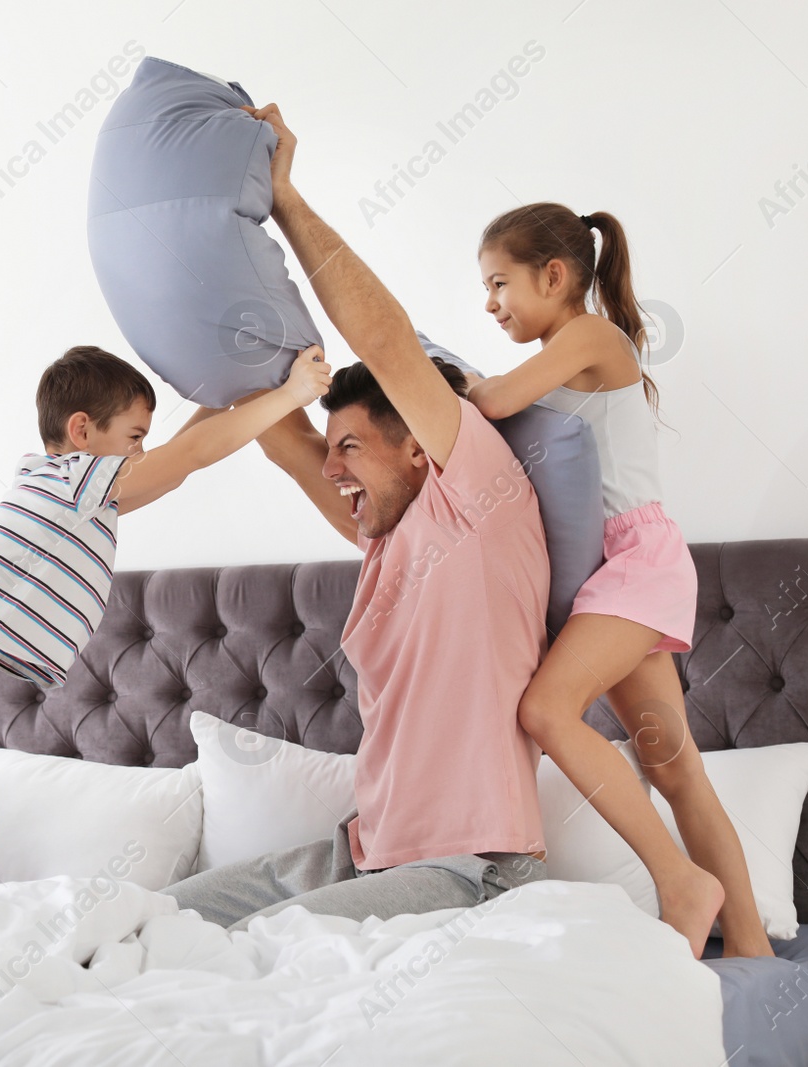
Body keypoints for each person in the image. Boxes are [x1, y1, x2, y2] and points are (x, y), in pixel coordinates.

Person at [162, 103, 552, 931]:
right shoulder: (381, 534)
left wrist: (285, 200)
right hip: (361, 849)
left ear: (420, 447)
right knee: (144, 919)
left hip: (469, 867)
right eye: (332, 451)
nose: (331, 467)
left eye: (352, 447)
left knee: (257, 951)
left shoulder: (476, 497)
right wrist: (210, 263)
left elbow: (380, 340)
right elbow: (281, 436)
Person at [0, 344, 333, 890]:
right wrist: (290, 394)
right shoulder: (80, 481)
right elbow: (191, 456)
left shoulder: (66, 484)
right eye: (134, 437)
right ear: (82, 431)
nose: (141, 453)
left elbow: (180, 458)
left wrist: (226, 395)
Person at [467, 204, 771, 958]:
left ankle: (681, 881)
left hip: (634, 561)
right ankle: (755, 951)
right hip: (609, 575)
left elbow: (496, 401)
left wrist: (452, 379)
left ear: (556, 274)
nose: (490, 302)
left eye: (500, 283)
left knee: (545, 709)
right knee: (673, 765)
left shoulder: (590, 334)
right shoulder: (564, 353)